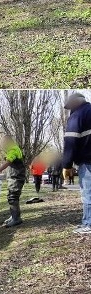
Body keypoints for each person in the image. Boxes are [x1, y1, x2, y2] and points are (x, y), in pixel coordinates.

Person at [62, 92, 91, 234]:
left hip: (87, 160)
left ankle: (88, 224)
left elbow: (71, 141)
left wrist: (67, 165)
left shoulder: (78, 115)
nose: (70, 111)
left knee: (88, 193)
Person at [0, 136, 25, 227]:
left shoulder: (13, 150)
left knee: (13, 197)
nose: (3, 145)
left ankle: (16, 219)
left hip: (16, 177)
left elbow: (8, 162)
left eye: (4, 143)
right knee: (11, 196)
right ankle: (13, 216)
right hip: (14, 177)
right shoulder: (14, 149)